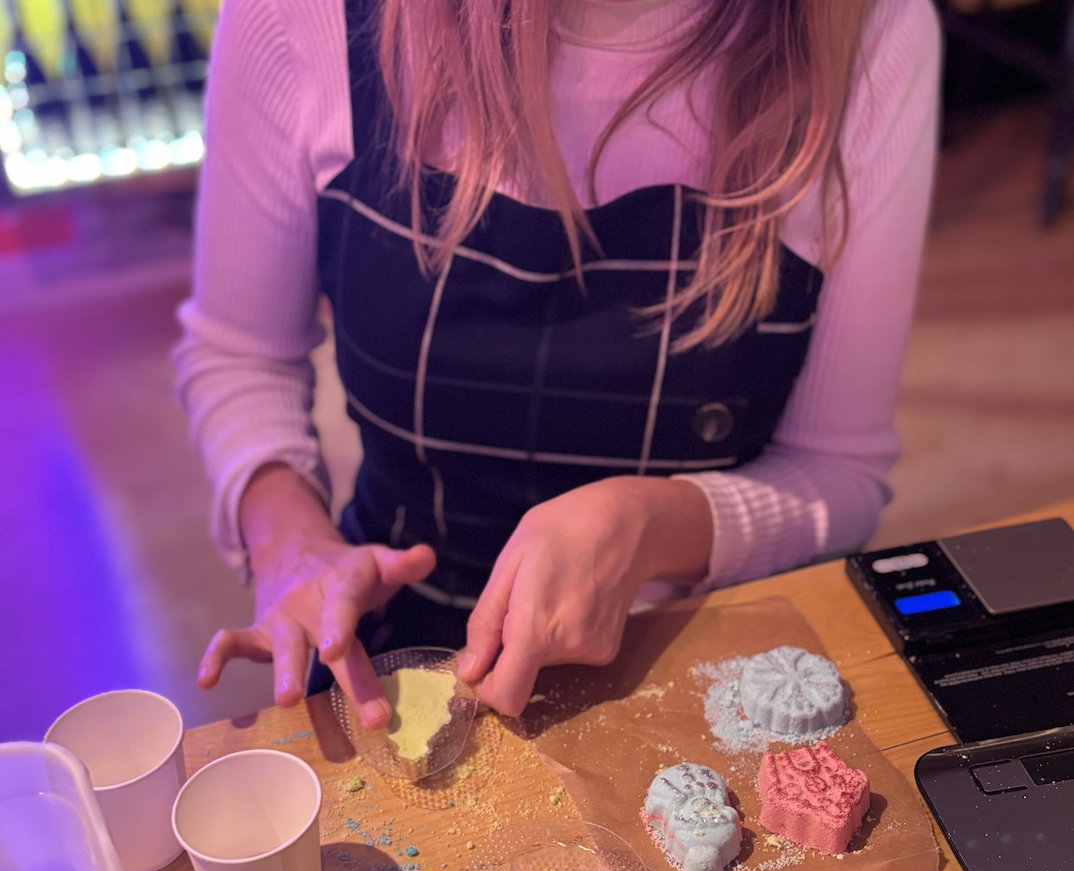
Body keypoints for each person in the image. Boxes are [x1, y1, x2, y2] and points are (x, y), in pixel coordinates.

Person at [174, 0, 940, 731]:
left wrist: (651, 527)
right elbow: (242, 357)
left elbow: (837, 472)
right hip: (400, 647)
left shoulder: (865, 31)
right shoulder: (315, 19)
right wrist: (292, 545)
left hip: (700, 658)